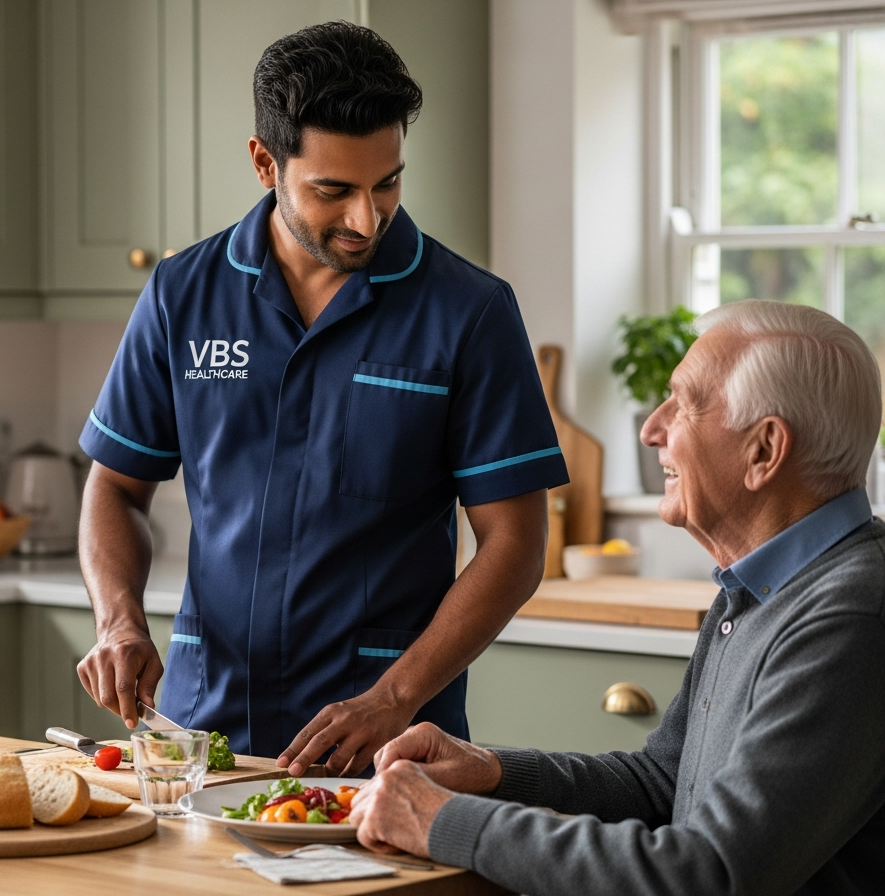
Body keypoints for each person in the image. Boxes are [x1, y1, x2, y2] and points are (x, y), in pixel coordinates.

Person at [75, 21, 568, 774]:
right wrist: (118, 622)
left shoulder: (470, 312)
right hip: (204, 735)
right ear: (264, 162)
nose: (367, 219)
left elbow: (516, 545)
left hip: (387, 747)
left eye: (388, 182)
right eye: (334, 190)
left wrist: (394, 696)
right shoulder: (183, 295)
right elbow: (114, 484)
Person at [351, 299, 885, 894]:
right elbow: (660, 783)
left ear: (763, 450)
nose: (651, 428)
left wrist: (443, 821)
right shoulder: (757, 588)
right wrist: (494, 773)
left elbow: (708, 874)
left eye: (683, 404)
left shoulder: (851, 616)